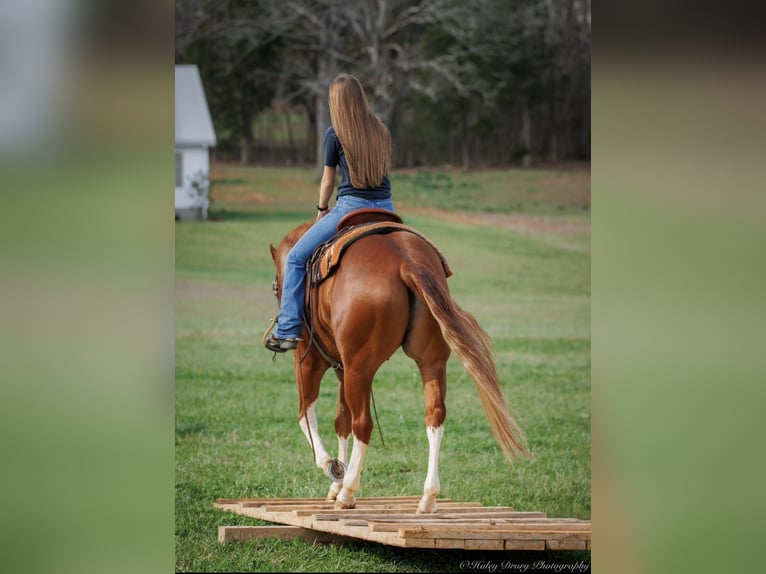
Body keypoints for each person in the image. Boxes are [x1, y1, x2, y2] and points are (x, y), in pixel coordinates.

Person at [265, 73, 395, 352]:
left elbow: (327, 182)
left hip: (351, 207)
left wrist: (322, 210)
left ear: (335, 102)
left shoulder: (334, 133)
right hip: (386, 208)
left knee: (297, 257)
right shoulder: (381, 130)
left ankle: (287, 329)